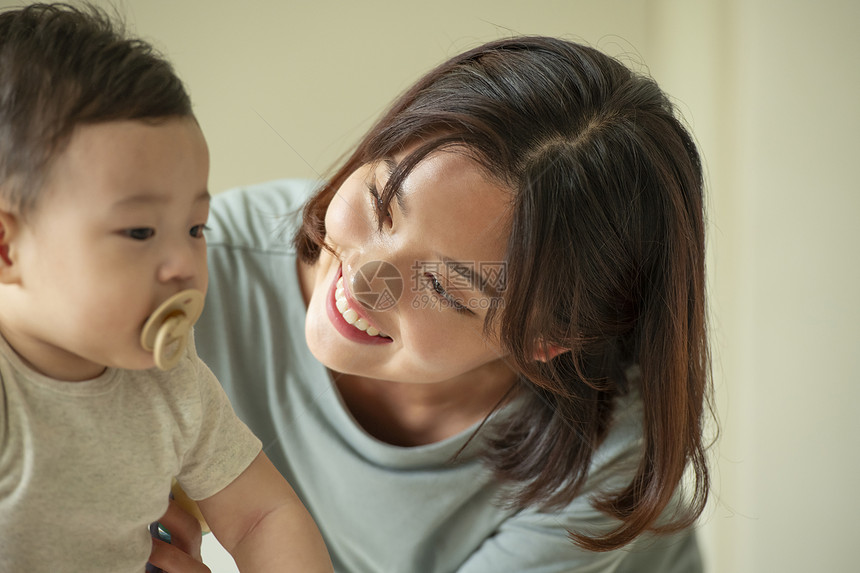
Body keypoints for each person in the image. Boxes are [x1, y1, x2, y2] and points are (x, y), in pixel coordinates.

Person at [165, 35, 713, 572]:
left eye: (444, 287)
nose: (362, 283)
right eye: (382, 204)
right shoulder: (199, 267)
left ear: (546, 341)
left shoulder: (605, 454)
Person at [0, 4, 332, 572]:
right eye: (139, 231)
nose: (184, 263)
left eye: (196, 228)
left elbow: (261, 517)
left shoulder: (172, 385)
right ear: (8, 249)